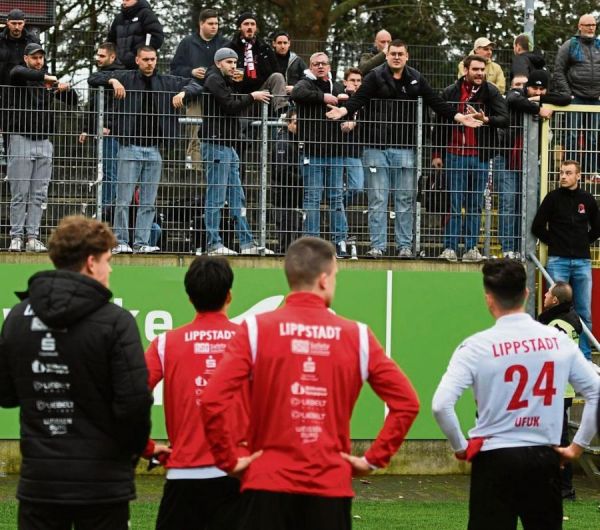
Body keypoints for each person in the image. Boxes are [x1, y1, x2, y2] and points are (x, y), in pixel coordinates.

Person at [201, 236, 420, 530]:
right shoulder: (357, 335)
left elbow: (212, 400)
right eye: (336, 277)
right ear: (323, 279)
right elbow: (407, 403)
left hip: (267, 481)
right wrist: (372, 459)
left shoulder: (254, 329)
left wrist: (229, 460)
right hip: (329, 485)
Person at [0, 215, 153, 530]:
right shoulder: (116, 321)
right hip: (102, 488)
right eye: (108, 261)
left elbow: (5, 394)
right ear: (90, 263)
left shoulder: (17, 317)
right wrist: (131, 452)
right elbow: (135, 404)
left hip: (40, 485)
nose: (110, 270)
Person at [432, 259, 600, 529]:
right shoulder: (557, 341)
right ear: (526, 293)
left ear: (489, 299)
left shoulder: (475, 347)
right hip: (543, 457)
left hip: (493, 458)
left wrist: (461, 447)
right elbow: (595, 391)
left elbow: (441, 405)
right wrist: (577, 446)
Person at [327, 41, 483, 259]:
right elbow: (359, 99)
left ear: (407, 56)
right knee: (378, 199)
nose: (397, 57)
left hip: (406, 149)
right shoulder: (374, 76)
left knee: (405, 199)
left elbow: (436, 102)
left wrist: (459, 117)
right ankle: (377, 247)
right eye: (393, 54)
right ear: (387, 56)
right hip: (375, 147)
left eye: (401, 54)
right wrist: (343, 110)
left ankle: (404, 247)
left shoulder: (416, 78)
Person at [144, 256, 248, 529]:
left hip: (185, 478)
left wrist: (148, 449)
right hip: (238, 474)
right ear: (229, 296)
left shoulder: (165, 343)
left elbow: (129, 398)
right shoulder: (251, 341)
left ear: (190, 298)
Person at [87, 45, 203, 254]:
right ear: (138, 60)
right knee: (122, 199)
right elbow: (94, 77)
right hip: (129, 147)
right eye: (146, 59)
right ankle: (121, 241)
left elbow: (197, 84)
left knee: (148, 201)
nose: (150, 63)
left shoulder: (167, 82)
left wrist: (184, 93)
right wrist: (112, 80)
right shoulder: (125, 76)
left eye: (153, 59)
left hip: (154, 149)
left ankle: (141, 242)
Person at [433, 54, 509, 263]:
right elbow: (438, 125)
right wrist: (437, 154)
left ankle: (471, 248)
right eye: (475, 69)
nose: (480, 73)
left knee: (476, 204)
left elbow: (505, 119)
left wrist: (486, 119)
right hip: (454, 155)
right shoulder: (451, 92)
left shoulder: (491, 91)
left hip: (480, 156)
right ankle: (449, 247)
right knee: (454, 203)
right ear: (465, 70)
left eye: (482, 70)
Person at [201, 46, 274, 256]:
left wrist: (241, 86)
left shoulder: (223, 80)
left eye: (235, 62)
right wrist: (252, 96)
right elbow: (230, 106)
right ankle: (213, 243)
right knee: (216, 196)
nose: (233, 66)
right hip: (216, 144)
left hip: (228, 145)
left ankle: (246, 243)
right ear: (218, 63)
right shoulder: (214, 79)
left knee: (237, 196)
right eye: (229, 62)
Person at [6, 43, 79, 253]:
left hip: (45, 142)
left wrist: (65, 88)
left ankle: (32, 237)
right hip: (21, 139)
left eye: (41, 58)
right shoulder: (19, 77)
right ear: (26, 58)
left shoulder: (47, 83)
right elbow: (16, 71)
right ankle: (16, 237)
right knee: (20, 193)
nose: (38, 61)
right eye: (34, 58)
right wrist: (47, 79)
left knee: (38, 194)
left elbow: (73, 101)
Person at [531, 159, 600, 361]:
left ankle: (584, 358)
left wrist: (582, 242)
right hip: (557, 261)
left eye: (568, 173)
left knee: (584, 312)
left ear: (578, 176)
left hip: (582, 262)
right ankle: (556, 355)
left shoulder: (587, 199)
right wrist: (555, 242)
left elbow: (597, 228)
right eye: (561, 172)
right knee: (555, 308)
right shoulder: (552, 198)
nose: (563, 176)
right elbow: (537, 226)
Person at [504, 70, 570, 258]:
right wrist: (538, 108)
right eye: (535, 88)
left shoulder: (542, 96)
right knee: (510, 204)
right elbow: (512, 100)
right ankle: (509, 248)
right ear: (527, 86)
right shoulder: (517, 94)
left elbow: (565, 98)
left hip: (534, 160)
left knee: (531, 204)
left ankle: (527, 248)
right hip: (509, 158)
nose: (538, 92)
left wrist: (542, 98)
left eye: (543, 89)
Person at [291, 52, 349, 257]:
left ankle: (340, 241)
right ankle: (311, 244)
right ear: (311, 66)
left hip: (335, 151)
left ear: (330, 66)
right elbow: (296, 93)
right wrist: (323, 97)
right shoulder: (305, 83)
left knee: (336, 197)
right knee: (312, 197)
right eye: (316, 64)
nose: (320, 67)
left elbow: (350, 107)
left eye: (324, 63)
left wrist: (348, 117)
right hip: (312, 151)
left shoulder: (339, 86)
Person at [538, 281, 583, 501]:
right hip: (562, 388)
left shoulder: (557, 323)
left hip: (556, 389)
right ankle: (561, 486)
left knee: (557, 440)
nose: (544, 295)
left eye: (547, 293)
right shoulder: (570, 319)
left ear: (555, 300)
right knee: (557, 438)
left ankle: (564, 487)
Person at [170, 8, 228, 167]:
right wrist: (191, 71)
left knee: (217, 134)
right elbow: (174, 69)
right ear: (201, 24)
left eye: (216, 23)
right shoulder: (187, 43)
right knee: (195, 131)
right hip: (193, 95)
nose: (214, 27)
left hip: (217, 96)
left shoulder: (224, 44)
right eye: (210, 23)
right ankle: (195, 169)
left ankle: (214, 167)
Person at [79, 42, 125, 223]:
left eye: (102, 56)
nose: (98, 59)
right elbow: (92, 105)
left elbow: (118, 108)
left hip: (112, 134)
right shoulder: (101, 77)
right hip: (102, 131)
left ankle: (107, 211)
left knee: (110, 174)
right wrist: (87, 128)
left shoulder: (122, 75)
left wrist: (109, 127)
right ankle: (105, 209)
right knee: (105, 172)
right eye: (97, 55)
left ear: (112, 57)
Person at [553, 14, 600, 173]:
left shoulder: (599, 45)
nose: (591, 28)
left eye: (593, 25)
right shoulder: (569, 45)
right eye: (587, 25)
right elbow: (558, 71)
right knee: (571, 137)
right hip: (575, 98)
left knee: (592, 138)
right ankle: (571, 171)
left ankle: (590, 172)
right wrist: (568, 94)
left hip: (595, 100)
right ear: (579, 26)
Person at [226, 12, 287, 112]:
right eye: (246, 24)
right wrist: (230, 76)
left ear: (256, 28)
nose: (250, 27)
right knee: (240, 126)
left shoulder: (264, 48)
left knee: (278, 76)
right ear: (239, 27)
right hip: (240, 96)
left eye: (252, 24)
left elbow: (277, 71)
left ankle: (282, 114)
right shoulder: (230, 48)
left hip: (262, 91)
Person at [0, 8, 40, 148]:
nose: (16, 27)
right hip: (3, 89)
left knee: (23, 126)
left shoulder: (32, 41)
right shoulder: (1, 40)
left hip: (25, 91)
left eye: (19, 23)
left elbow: (38, 64)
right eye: (13, 23)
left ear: (24, 23)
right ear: (7, 23)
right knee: (6, 129)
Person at [270, 109, 303, 252]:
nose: (299, 126)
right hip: (284, 197)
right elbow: (280, 171)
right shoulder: (283, 142)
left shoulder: (295, 141)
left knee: (294, 237)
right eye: (296, 123)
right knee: (287, 242)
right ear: (288, 123)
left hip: (292, 197)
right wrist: (303, 180)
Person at [107, 0, 164, 69]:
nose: (124, 2)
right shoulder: (118, 18)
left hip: (140, 68)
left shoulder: (146, 14)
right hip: (118, 67)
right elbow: (110, 41)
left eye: (127, 0)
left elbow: (156, 37)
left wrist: (138, 53)